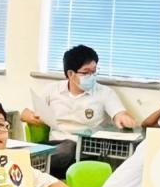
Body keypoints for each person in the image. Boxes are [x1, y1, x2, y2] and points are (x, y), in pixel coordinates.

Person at [21, 45, 135, 178]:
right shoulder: (52, 90)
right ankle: (29, 167)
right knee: (55, 149)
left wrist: (124, 118)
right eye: (86, 73)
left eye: (94, 71)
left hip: (86, 151)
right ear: (70, 74)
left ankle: (30, 169)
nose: (91, 76)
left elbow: (119, 113)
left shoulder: (104, 92)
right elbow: (24, 114)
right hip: (56, 146)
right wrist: (33, 117)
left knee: (70, 147)